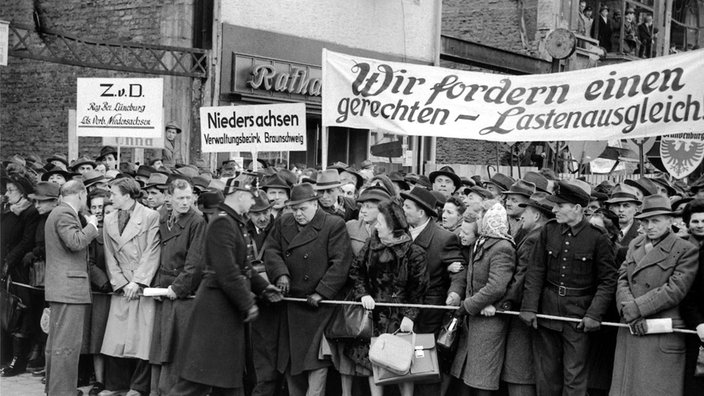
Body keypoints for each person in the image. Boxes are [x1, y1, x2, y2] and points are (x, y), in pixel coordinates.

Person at [172, 175, 283, 396]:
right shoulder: (223, 222)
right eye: (251, 198)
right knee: (196, 382)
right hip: (215, 311)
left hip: (225, 310)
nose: (253, 204)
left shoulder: (232, 221)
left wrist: (262, 287)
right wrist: (247, 303)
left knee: (227, 380)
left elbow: (243, 266)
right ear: (240, 196)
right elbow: (227, 271)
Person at [520, 181, 617, 396]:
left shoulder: (597, 238)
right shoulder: (549, 231)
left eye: (559, 206)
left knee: (574, 376)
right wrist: (529, 307)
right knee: (547, 375)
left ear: (577, 208)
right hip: (547, 312)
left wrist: (594, 314)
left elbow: (608, 281)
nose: (553, 210)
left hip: (579, 317)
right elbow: (535, 271)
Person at [265, 183, 353, 396]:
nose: (297, 214)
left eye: (302, 208)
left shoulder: (333, 224)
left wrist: (322, 292)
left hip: (318, 309)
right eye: (294, 209)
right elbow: (271, 250)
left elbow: (341, 263)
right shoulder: (283, 222)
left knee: (316, 362)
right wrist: (281, 273)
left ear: (315, 204)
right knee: (292, 364)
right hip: (291, 304)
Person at [610, 195, 698, 396]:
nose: (649, 226)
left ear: (670, 221)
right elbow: (622, 278)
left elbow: (674, 290)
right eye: (645, 221)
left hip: (659, 333)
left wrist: (636, 308)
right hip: (632, 327)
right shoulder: (636, 244)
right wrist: (628, 309)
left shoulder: (686, 250)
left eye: (655, 220)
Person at [350, 200, 429, 396]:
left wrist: (410, 316)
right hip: (374, 316)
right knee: (373, 365)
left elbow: (418, 289)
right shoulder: (371, 245)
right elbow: (356, 271)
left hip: (400, 318)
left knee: (403, 367)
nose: (376, 226)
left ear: (393, 227)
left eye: (380, 223)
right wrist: (364, 294)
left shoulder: (414, 253)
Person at [400, 186, 466, 396]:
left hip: (428, 314)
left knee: (423, 367)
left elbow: (458, 272)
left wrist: (454, 293)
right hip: (399, 309)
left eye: (407, 207)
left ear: (421, 212)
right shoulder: (399, 233)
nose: (403, 210)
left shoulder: (443, 238)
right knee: (397, 365)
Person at [101, 177, 161, 396]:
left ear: (127, 195)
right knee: (116, 337)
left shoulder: (150, 216)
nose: (110, 198)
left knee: (141, 338)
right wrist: (121, 282)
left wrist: (138, 281)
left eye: (114, 194)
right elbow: (109, 254)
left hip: (142, 283)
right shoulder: (108, 219)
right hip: (122, 284)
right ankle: (114, 385)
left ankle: (138, 387)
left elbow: (152, 251)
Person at [451, 203, 516, 395]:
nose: (476, 221)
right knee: (468, 376)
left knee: (481, 380)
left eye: (480, 218)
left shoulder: (502, 247)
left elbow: (496, 286)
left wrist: (468, 305)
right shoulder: (483, 242)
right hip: (475, 317)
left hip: (488, 324)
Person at [149, 178, 206, 395]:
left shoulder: (197, 221)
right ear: (169, 198)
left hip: (181, 295)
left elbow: (195, 261)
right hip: (164, 291)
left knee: (178, 347)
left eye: (188, 197)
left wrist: (178, 287)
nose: (185, 202)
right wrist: (156, 286)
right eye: (180, 198)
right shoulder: (164, 219)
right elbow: (158, 256)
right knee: (162, 347)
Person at [43, 180, 100, 396]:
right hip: (70, 289)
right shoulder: (65, 214)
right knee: (66, 347)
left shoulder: (58, 212)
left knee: (57, 345)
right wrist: (92, 227)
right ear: (81, 194)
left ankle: (57, 390)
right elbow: (75, 242)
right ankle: (62, 392)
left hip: (62, 288)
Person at [500, 193, 554, 396]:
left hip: (522, 313)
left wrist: (505, 302)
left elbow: (522, 277)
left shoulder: (534, 239)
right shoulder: (540, 235)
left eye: (527, 211)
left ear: (538, 215)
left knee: (519, 371)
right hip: (531, 311)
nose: (521, 215)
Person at [0, 174, 40, 377]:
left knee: (21, 312)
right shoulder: (9, 211)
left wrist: (8, 262)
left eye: (11, 190)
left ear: (23, 193)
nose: (6, 194)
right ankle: (6, 357)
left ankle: (19, 360)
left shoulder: (30, 212)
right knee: (7, 311)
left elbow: (26, 241)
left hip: (19, 270)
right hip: (6, 267)